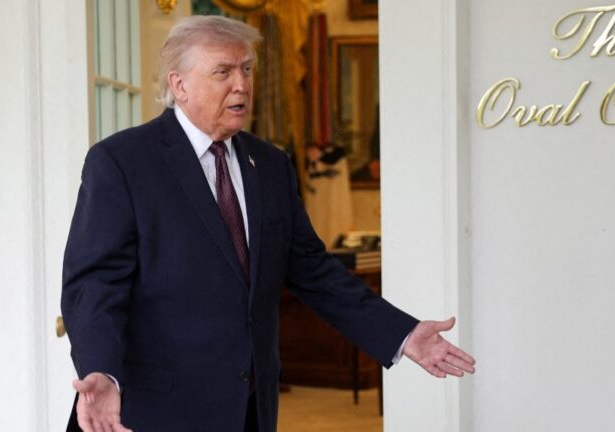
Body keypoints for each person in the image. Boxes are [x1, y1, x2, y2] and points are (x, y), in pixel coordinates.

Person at [61, 15, 475, 432]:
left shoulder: (271, 165)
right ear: (179, 85)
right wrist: (101, 371)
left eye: (246, 69)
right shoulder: (122, 162)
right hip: (154, 411)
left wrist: (402, 334)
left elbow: (314, 270)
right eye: (222, 72)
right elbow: (94, 285)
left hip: (249, 411)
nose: (241, 84)